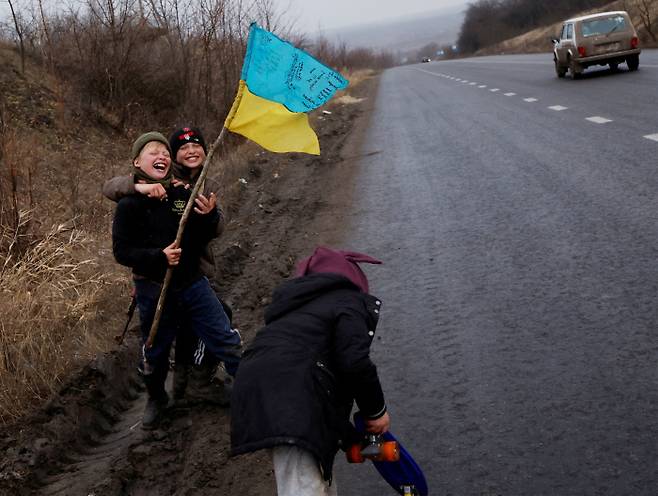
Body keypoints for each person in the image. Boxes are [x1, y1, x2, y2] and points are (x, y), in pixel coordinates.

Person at [230, 246, 391, 496]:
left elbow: (324, 389)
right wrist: (375, 412)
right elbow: (355, 362)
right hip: (289, 397)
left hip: (263, 388)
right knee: (303, 486)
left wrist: (350, 439)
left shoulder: (298, 314)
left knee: (314, 476)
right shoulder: (348, 301)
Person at [112, 131, 241, 428]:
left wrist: (207, 217)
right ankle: (157, 398)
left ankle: (248, 386)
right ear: (136, 162)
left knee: (224, 334)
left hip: (193, 282)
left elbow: (200, 234)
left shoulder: (181, 194)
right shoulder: (128, 204)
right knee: (155, 348)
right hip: (153, 289)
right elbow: (122, 251)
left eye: (164, 153)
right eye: (153, 152)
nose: (162, 156)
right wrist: (159, 257)